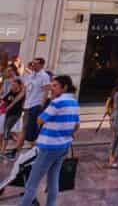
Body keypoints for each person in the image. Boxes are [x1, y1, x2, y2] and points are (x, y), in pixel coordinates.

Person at [17, 75, 79, 206]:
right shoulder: (74, 102)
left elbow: (40, 120)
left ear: (64, 87)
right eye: (52, 85)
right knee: (53, 179)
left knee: (32, 183)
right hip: (63, 146)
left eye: (55, 85)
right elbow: (76, 126)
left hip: (49, 146)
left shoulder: (57, 102)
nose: (52, 88)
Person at [16, 58, 50, 154]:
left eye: (35, 64)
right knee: (24, 127)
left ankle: (33, 150)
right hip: (27, 105)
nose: (33, 65)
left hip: (36, 105)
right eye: (32, 63)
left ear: (42, 65)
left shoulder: (44, 76)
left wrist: (41, 106)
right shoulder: (30, 75)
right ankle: (17, 149)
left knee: (33, 128)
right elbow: (25, 90)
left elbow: (46, 91)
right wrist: (22, 102)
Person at [2, 76, 24, 158]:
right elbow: (4, 101)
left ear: (18, 85)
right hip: (8, 113)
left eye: (14, 84)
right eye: (12, 84)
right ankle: (19, 141)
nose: (12, 86)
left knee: (7, 129)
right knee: (7, 130)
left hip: (15, 114)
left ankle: (3, 150)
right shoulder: (11, 92)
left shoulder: (21, 94)